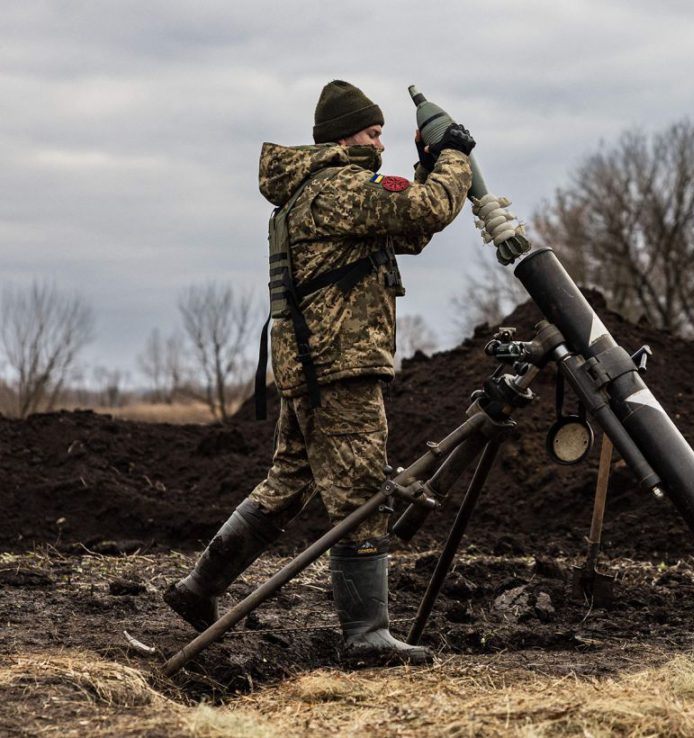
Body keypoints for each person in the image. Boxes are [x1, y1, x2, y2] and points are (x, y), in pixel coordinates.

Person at [164, 80, 474, 666]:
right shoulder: (335, 187)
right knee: (360, 494)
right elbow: (427, 206)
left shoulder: (319, 190)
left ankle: (196, 590)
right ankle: (366, 636)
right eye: (373, 132)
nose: (380, 143)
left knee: (287, 482)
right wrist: (455, 157)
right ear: (343, 135)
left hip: (314, 364)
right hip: (340, 367)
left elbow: (411, 229)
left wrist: (428, 164)